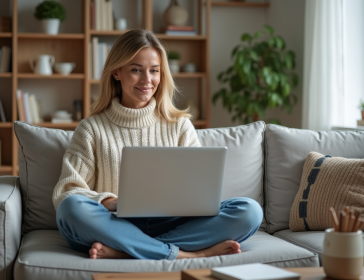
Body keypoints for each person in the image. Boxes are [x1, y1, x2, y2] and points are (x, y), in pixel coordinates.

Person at [53, 29, 263, 260]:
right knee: (71, 209)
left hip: (173, 223)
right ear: (116, 72)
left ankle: (127, 251)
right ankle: (184, 254)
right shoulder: (91, 129)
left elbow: (200, 191)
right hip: (114, 223)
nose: (147, 80)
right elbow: (67, 192)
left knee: (248, 211)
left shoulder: (179, 125)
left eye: (154, 71)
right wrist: (113, 202)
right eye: (136, 70)